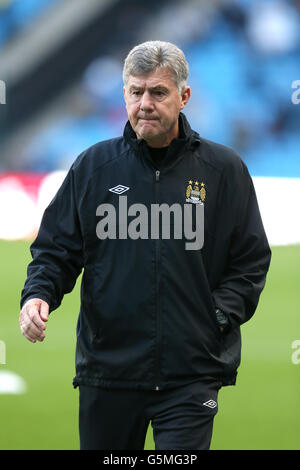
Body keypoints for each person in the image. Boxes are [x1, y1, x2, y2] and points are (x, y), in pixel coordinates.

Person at [19, 40, 271, 450]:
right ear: (124, 95)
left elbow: (250, 261)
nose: (145, 104)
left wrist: (216, 318)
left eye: (158, 92)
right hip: (109, 372)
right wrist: (38, 295)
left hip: (191, 374)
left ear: (184, 96)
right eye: (136, 92)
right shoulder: (93, 167)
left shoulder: (223, 170)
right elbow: (56, 249)